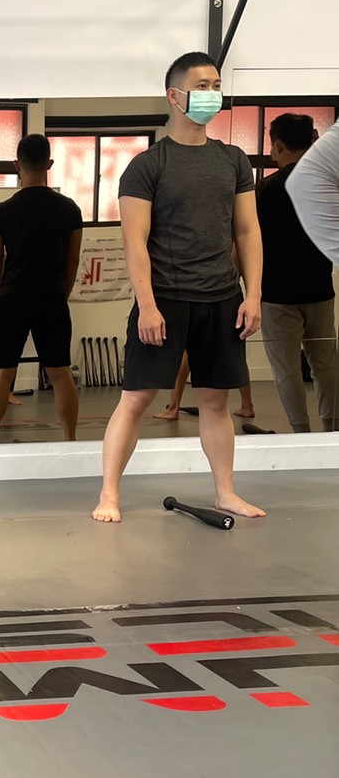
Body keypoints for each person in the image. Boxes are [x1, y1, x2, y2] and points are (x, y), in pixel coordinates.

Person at [92, 52, 264, 522]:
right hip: (165, 298)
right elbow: (134, 242)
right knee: (136, 399)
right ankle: (109, 494)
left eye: (216, 85)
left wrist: (252, 294)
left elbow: (247, 231)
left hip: (222, 298)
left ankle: (225, 492)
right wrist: (147, 305)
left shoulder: (233, 160)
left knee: (215, 400)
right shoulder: (147, 165)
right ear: (175, 95)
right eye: (202, 86)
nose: (212, 94)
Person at [0, 134, 83, 444]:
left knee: (2, 375)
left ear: (17, 165)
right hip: (51, 297)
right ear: (49, 164)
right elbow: (73, 260)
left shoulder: (2, 211)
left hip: (10, 299)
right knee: (60, 373)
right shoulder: (69, 209)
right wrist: (61, 294)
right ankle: (70, 439)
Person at [258, 113, 338, 432]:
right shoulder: (327, 185)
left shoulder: (264, 190)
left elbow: (248, 242)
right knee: (327, 366)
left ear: (278, 146)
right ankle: (333, 431)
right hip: (320, 290)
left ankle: (300, 432)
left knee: (287, 370)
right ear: (315, 138)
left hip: (275, 295)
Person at [287, 120, 339, 266]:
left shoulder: (267, 187)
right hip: (319, 270)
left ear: (277, 147)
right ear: (314, 135)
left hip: (279, 268)